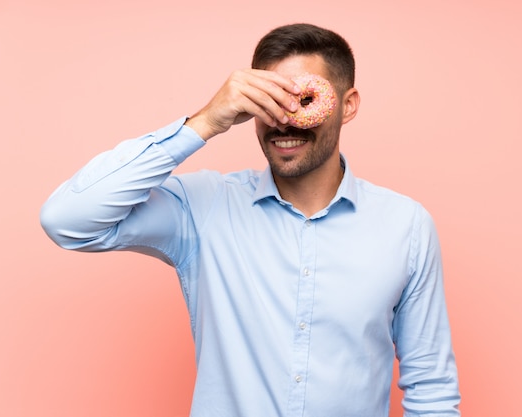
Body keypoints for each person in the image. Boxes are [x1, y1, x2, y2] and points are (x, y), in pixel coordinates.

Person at [41, 23, 460, 417]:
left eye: (304, 99)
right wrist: (204, 122)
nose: (283, 118)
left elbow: (432, 386)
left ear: (347, 106)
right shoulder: (203, 208)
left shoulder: (405, 225)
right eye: (268, 100)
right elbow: (68, 220)